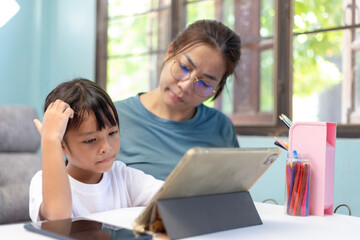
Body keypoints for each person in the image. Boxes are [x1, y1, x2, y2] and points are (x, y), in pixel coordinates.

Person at [114, 19, 241, 180]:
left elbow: (233, 193)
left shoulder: (221, 127)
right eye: (184, 67)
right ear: (170, 52)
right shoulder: (112, 117)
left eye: (204, 83)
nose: (185, 86)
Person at [29, 78, 163, 222]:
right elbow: (59, 217)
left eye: (112, 133)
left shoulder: (122, 176)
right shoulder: (42, 181)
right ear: (62, 145)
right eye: (91, 140)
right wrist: (50, 140)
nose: (106, 147)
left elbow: (172, 196)